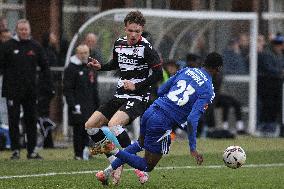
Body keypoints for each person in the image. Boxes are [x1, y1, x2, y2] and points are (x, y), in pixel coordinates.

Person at [95, 52, 223, 185]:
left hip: (151, 111)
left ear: (204, 62)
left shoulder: (187, 71)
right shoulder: (208, 90)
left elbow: (162, 90)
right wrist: (192, 147)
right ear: (218, 68)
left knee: (140, 144)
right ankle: (111, 149)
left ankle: (106, 173)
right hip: (162, 122)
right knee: (147, 165)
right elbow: (192, 119)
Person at [85, 10, 162, 184]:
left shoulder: (147, 48)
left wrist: (137, 85)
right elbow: (115, 63)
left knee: (114, 124)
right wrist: (101, 67)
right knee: (90, 126)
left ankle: (137, 168)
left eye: (138, 31)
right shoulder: (119, 43)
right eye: (131, 30)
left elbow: (158, 74)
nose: (134, 34)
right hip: (120, 93)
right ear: (125, 28)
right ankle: (114, 161)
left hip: (138, 96)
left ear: (142, 30)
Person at [0, 19, 51, 160]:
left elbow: (45, 67)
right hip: (12, 92)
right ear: (17, 30)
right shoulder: (7, 46)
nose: (24, 32)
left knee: (30, 121)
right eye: (21, 29)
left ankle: (32, 151)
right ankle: (15, 150)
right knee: (13, 121)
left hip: (30, 91)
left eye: (26, 29)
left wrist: (46, 86)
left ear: (29, 30)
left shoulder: (35, 46)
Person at [63, 44, 100, 160]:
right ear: (77, 53)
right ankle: (78, 154)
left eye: (86, 53)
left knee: (89, 129)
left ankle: (86, 152)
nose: (83, 55)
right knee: (78, 129)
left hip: (90, 104)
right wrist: (73, 105)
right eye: (81, 53)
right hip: (78, 105)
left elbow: (94, 87)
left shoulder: (90, 67)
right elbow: (67, 89)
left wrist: (97, 105)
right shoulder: (71, 68)